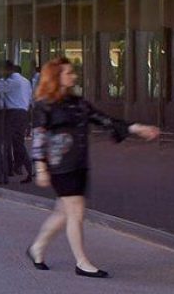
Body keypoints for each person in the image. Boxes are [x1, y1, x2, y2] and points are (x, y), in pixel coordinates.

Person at [27, 58, 159, 277]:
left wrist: (137, 128)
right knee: (76, 212)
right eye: (69, 73)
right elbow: (39, 137)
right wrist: (40, 168)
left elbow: (105, 119)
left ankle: (37, 248)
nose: (74, 76)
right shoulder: (44, 104)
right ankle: (82, 262)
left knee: (63, 212)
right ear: (56, 76)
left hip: (79, 164)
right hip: (60, 166)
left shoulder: (78, 103)